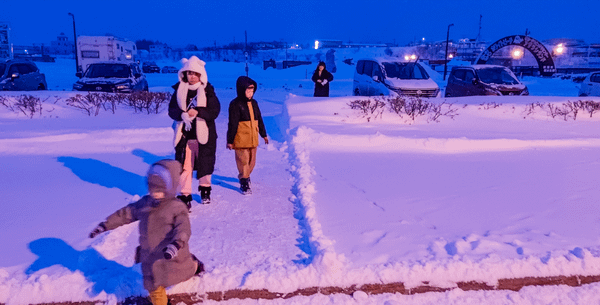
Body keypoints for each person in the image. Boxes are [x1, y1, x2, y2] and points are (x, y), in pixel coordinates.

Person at [89, 159, 204, 305]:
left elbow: (183, 228)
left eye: (160, 191)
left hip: (172, 254)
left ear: (169, 187)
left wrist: (176, 244)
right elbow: (125, 213)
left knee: (182, 270)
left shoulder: (176, 207)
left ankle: (195, 265)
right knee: (153, 284)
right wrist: (105, 225)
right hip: (150, 256)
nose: (156, 194)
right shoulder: (145, 204)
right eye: (153, 189)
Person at [168, 56, 220, 208]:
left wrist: (198, 112)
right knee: (184, 167)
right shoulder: (179, 90)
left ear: (200, 74)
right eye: (188, 73)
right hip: (184, 136)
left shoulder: (207, 90)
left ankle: (205, 190)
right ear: (184, 73)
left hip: (204, 136)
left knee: (205, 163)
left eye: (194, 73)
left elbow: (214, 111)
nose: (191, 76)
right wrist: (181, 114)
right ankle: (185, 196)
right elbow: (172, 110)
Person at [226, 76, 269, 194]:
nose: (250, 93)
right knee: (243, 161)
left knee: (252, 162)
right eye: (248, 90)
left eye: (252, 90)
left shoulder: (254, 103)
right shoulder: (235, 104)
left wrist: (263, 134)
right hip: (240, 138)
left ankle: (245, 175)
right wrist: (230, 140)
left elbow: (259, 119)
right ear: (241, 90)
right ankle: (244, 181)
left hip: (253, 138)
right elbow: (232, 123)